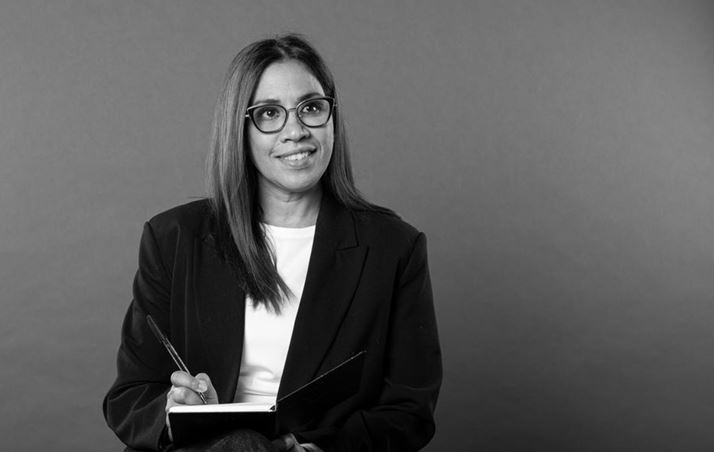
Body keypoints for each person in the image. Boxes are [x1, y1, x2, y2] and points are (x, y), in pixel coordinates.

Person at [103, 34, 442, 452]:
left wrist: (313, 447)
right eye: (269, 113)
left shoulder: (393, 248)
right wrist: (175, 412)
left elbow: (409, 412)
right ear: (240, 129)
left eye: (311, 108)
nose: (295, 131)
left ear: (332, 118)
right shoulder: (174, 237)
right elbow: (129, 398)